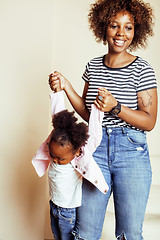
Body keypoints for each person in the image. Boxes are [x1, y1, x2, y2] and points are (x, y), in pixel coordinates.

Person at [48, 0, 158, 239]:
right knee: (85, 232)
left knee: (129, 233)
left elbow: (149, 121)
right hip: (94, 150)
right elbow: (89, 114)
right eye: (114, 25)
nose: (121, 33)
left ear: (136, 31)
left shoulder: (143, 69)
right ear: (103, 27)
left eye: (128, 27)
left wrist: (116, 107)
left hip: (131, 151)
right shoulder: (93, 66)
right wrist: (66, 87)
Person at [32, 91, 108, 240]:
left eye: (60, 158)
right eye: (52, 155)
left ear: (77, 151)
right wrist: (58, 93)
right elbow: (58, 116)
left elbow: (94, 134)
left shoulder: (79, 158)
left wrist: (98, 108)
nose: (54, 160)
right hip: (53, 205)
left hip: (67, 212)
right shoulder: (57, 146)